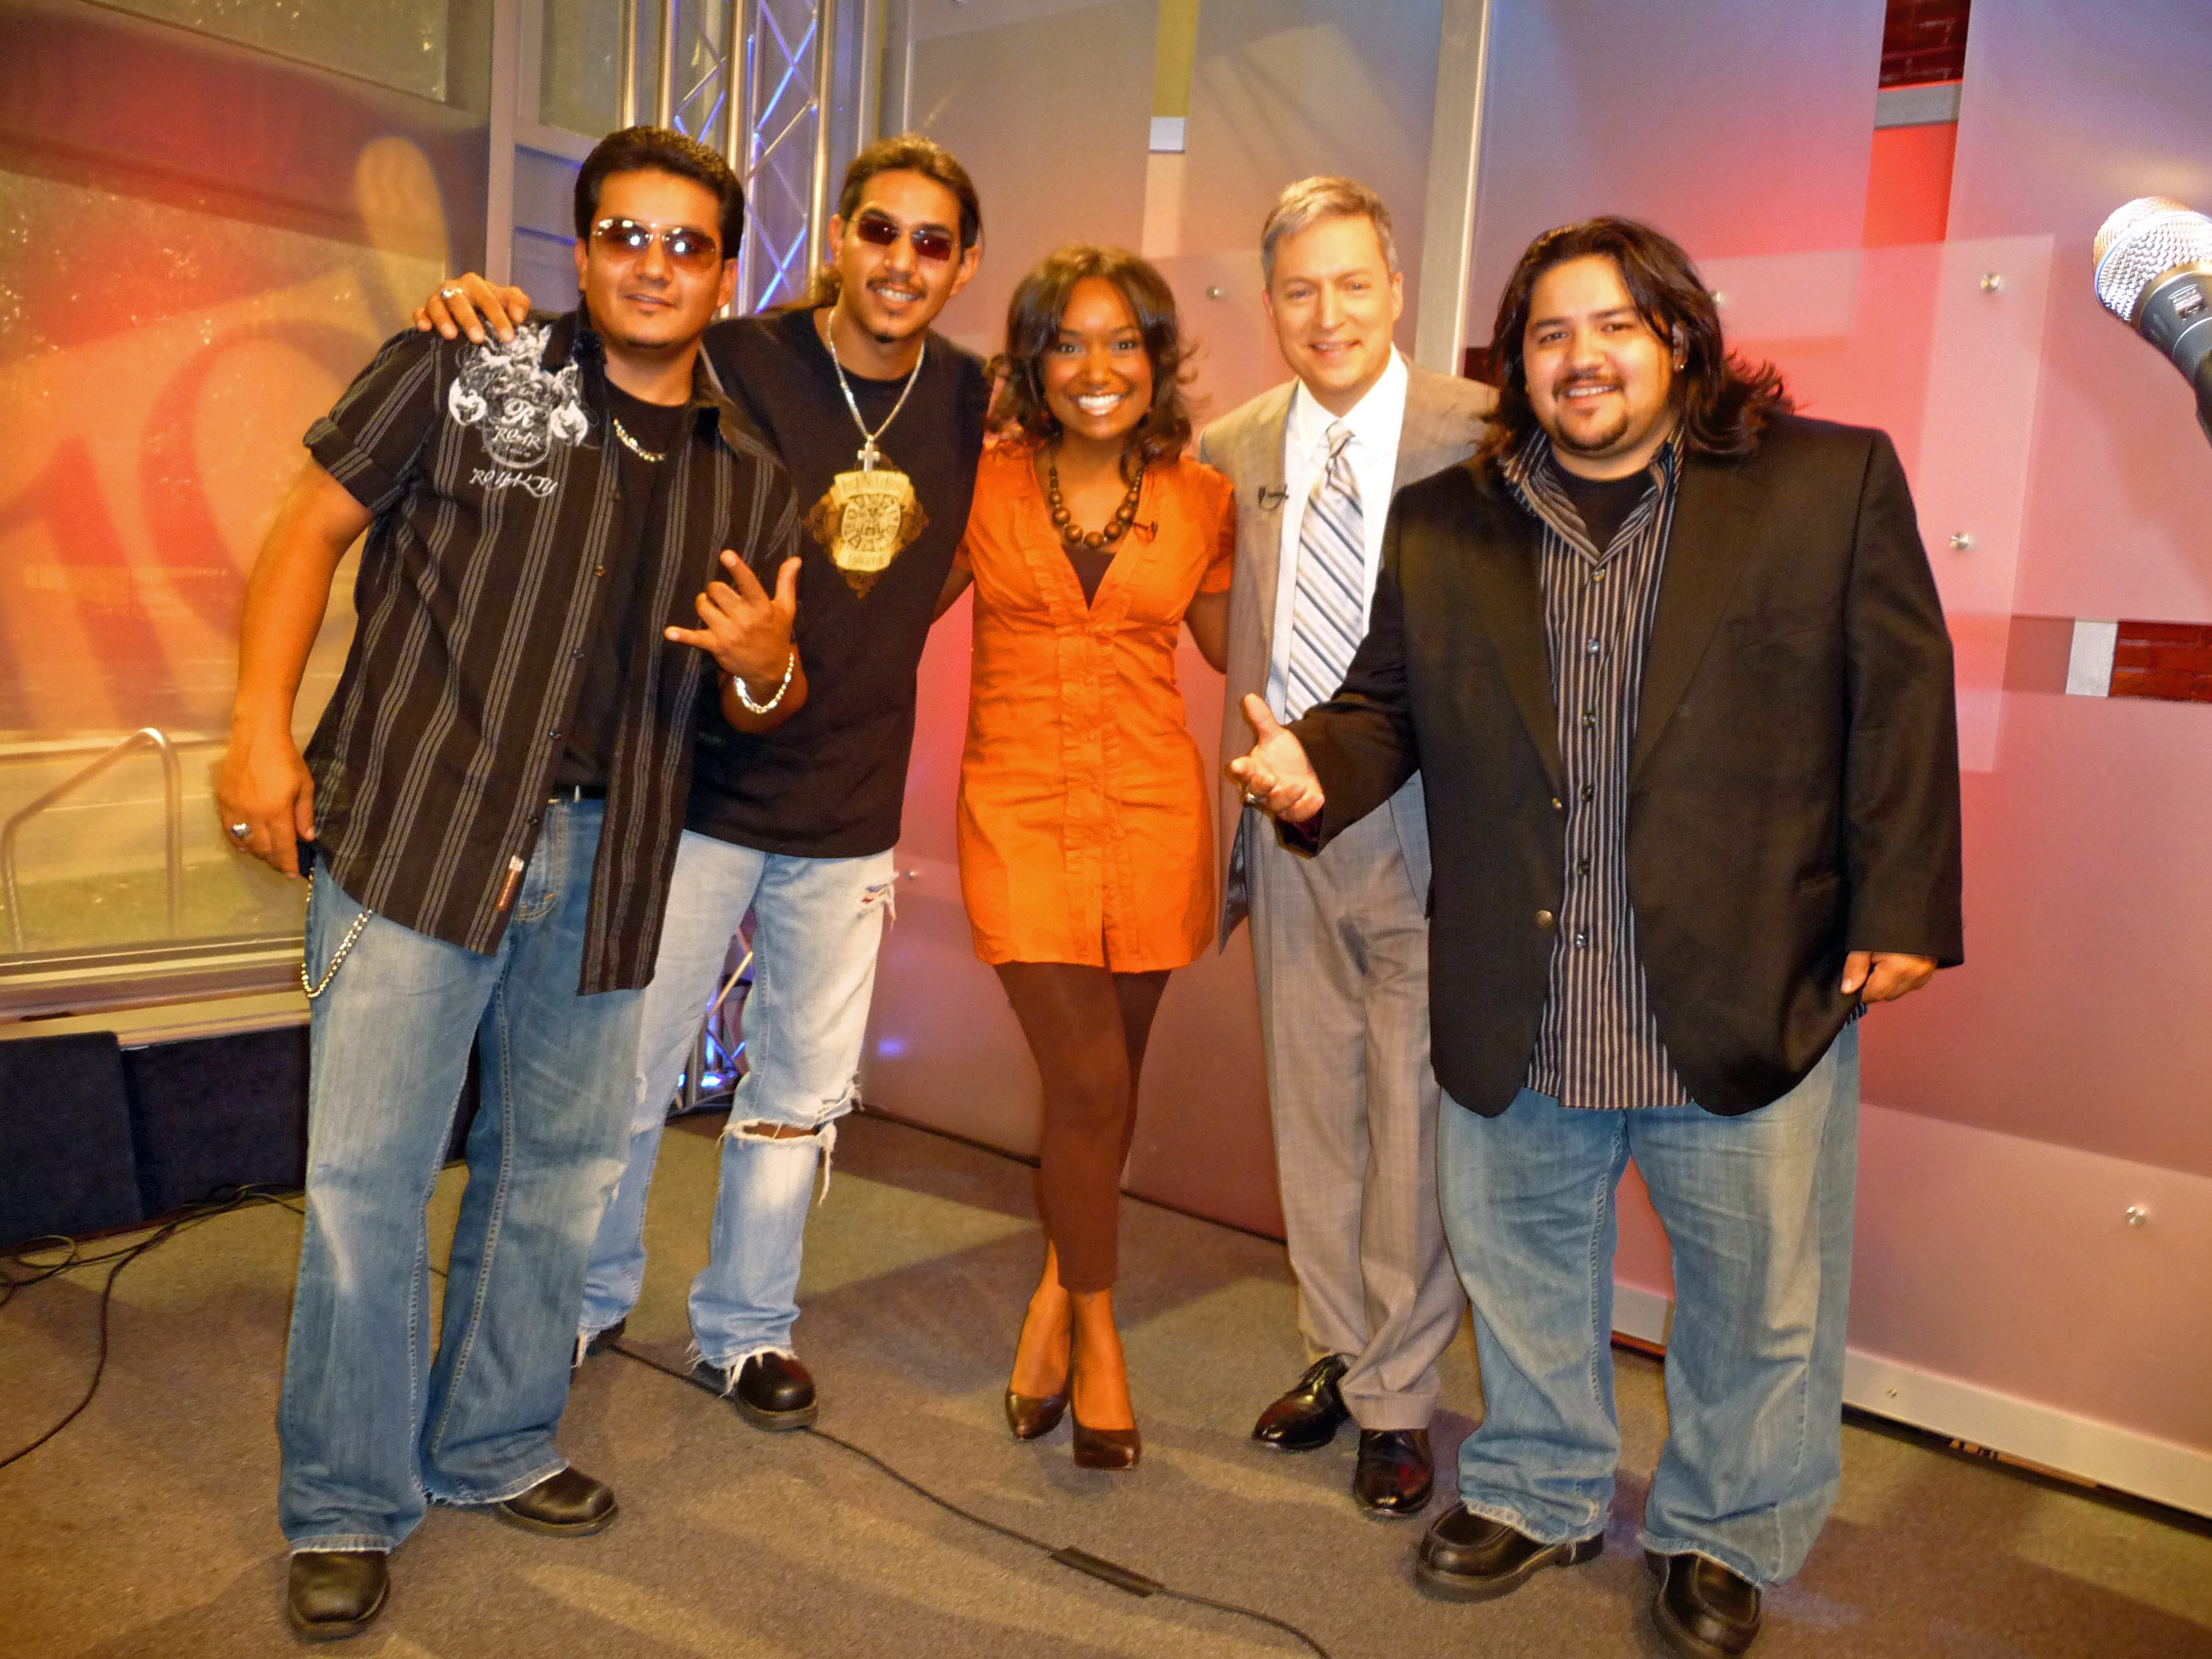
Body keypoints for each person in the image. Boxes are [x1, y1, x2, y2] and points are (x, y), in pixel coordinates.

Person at [1231, 217, 1961, 1658]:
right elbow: (1384, 706)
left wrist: (1902, 905)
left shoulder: (1825, 484)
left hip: (1744, 974)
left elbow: (1899, 701)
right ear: (1519, 364)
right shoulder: (1448, 521)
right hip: (1526, 978)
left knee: (1758, 1304)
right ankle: (1539, 1487)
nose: (1584, 357)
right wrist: (1316, 765)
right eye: (1552, 333)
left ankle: (1723, 1531)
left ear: (1680, 337)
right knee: (1523, 1273)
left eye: (1617, 325)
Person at [221, 126, 801, 1639]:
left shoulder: (751, 473)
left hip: (613, 862)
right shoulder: (465, 367)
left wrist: (768, 668)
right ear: (583, 248)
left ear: (725, 274)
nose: (654, 266)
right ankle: (347, 1504)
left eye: (686, 245)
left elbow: (756, 694)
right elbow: (306, 536)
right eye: (626, 236)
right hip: (421, 830)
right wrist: (257, 733)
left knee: (554, 1181)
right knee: (367, 1189)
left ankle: (490, 1446)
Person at [415, 134, 990, 1429]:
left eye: (932, 242)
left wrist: (873, 635)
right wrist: (479, 312)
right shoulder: (736, 355)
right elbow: (595, 352)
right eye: (880, 230)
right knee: (626, 1074)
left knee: (797, 1097)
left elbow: (962, 551)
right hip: (689, 789)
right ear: (838, 236)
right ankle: (584, 1298)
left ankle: (747, 1329)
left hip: (848, 809)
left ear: (964, 267)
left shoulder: (969, 396)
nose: (901, 262)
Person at [1197, 177, 1493, 1516]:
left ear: (1397, 288)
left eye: (1353, 284)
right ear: (1271, 303)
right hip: (1284, 824)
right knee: (1313, 1110)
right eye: (1301, 290)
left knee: (1415, 1127)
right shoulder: (1232, 446)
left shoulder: (1481, 434)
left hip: (1435, 825)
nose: (1329, 315)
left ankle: (1398, 1397)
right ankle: (1335, 1348)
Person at [936, 245, 1232, 1470]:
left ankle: (1057, 1293)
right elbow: (885, 606)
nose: (1096, 368)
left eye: (1122, 342)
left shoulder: (1205, 498)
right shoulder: (980, 480)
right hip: (1018, 815)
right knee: (1094, 1084)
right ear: (1033, 362)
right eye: (1067, 342)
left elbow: (1245, 649)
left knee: (1103, 1088)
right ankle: (1101, 1334)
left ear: (1157, 360)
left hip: (1153, 821)